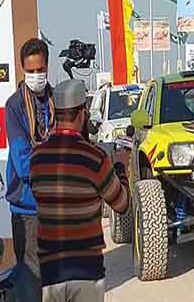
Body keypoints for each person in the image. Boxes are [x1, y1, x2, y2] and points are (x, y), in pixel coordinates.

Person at [30, 80, 130, 301]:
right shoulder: (94, 158)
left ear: (56, 112)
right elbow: (122, 204)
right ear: (83, 114)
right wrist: (121, 167)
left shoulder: (37, 157)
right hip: (86, 271)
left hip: (50, 271)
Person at [6, 38, 56, 300]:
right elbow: (23, 161)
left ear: (47, 67)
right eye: (31, 71)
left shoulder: (56, 101)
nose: (36, 76)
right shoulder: (14, 106)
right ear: (23, 70)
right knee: (31, 285)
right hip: (27, 208)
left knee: (58, 280)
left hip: (57, 206)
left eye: (40, 70)